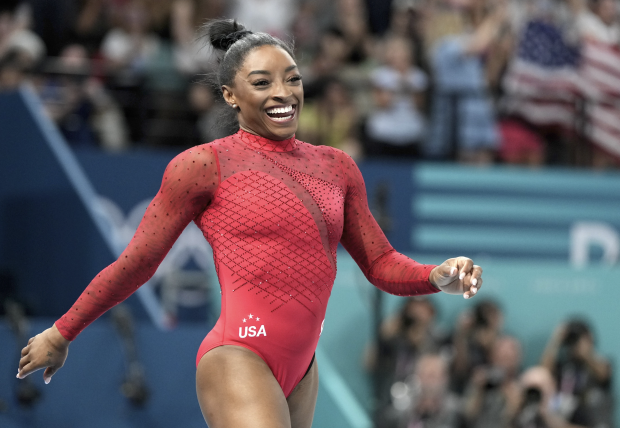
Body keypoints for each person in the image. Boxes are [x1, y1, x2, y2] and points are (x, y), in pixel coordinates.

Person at [17, 19, 484, 428]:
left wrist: (434, 276)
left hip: (302, 370)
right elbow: (138, 263)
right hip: (240, 353)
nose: (283, 93)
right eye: (262, 83)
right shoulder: (203, 165)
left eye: (293, 79)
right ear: (230, 96)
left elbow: (380, 263)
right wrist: (62, 332)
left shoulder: (338, 166)